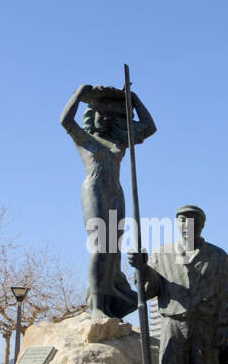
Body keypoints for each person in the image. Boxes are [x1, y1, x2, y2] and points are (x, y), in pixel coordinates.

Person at [129, 205, 228, 364]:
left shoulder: (218, 257)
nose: (187, 227)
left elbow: (226, 295)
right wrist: (143, 269)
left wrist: (224, 327)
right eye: (182, 222)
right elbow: (148, 291)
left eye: (193, 222)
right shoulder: (162, 254)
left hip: (204, 327)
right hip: (172, 325)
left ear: (202, 225)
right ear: (177, 225)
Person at [61, 84, 157, 319]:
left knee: (114, 250)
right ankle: (96, 304)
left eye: (107, 115)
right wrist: (79, 93)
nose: (103, 118)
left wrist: (134, 99)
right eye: (98, 114)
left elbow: (150, 128)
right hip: (95, 190)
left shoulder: (118, 141)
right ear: (91, 118)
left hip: (116, 192)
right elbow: (66, 121)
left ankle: (111, 299)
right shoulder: (85, 139)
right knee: (100, 246)